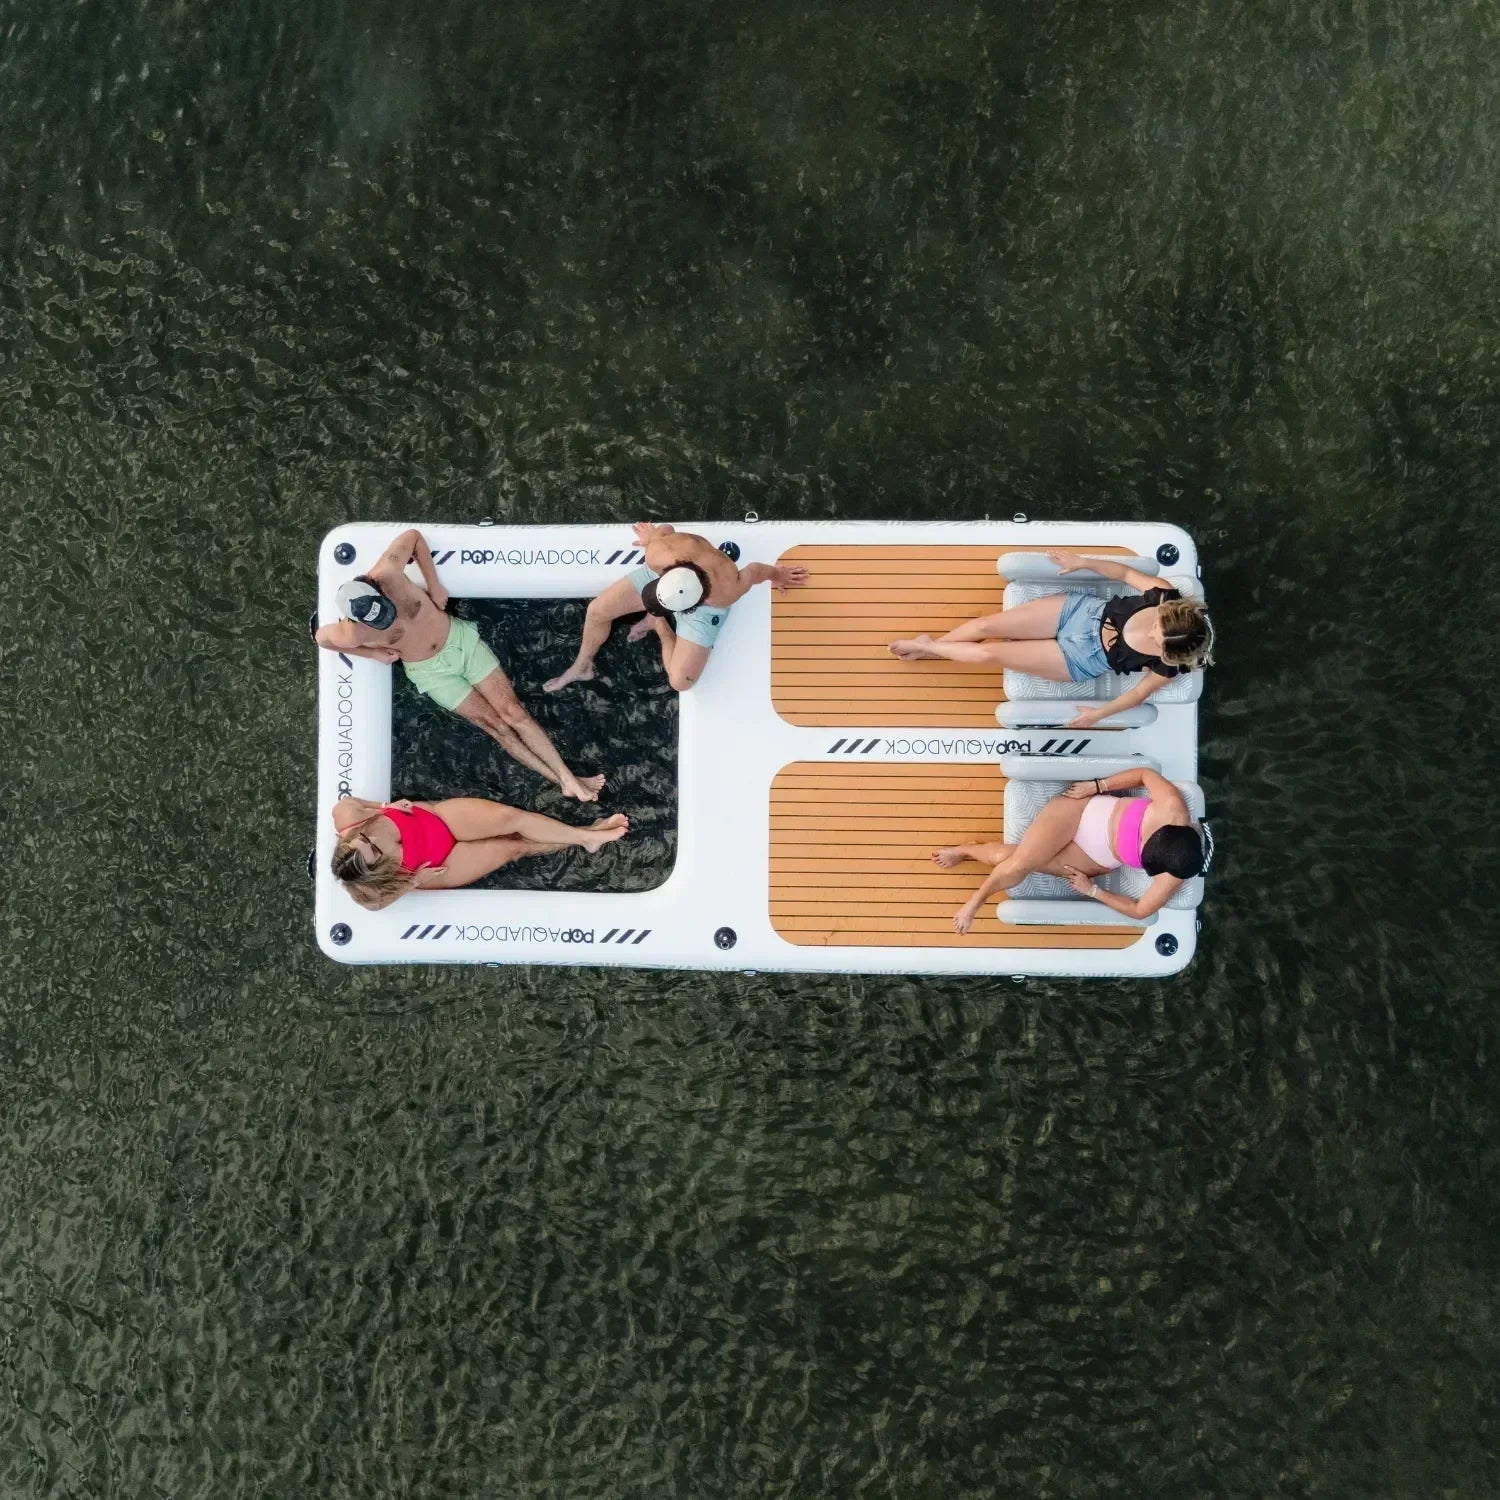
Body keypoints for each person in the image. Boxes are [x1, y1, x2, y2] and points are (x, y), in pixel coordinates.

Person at [315, 528, 605, 802]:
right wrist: (373, 654)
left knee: (513, 712)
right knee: (496, 727)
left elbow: (413, 537)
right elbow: (322, 638)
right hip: (431, 673)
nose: (387, 619)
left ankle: (567, 775)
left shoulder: (387, 572)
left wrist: (434, 585)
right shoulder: (352, 631)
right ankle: (563, 781)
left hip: (459, 641)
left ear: (375, 589)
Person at [889, 549, 1214, 729]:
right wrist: (1083, 562)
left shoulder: (1170, 667)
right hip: (1080, 613)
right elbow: (1125, 574)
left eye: (1158, 641)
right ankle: (932, 648)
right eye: (1157, 625)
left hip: (1080, 659)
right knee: (986, 627)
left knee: (991, 653)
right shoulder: (1164, 595)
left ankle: (928, 646)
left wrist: (1096, 716)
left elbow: (1138, 695)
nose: (1152, 633)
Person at [544, 522, 810, 693]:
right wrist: (650, 537)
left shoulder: (725, 591)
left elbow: (754, 571)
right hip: (667, 579)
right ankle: (582, 665)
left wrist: (779, 575)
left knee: (680, 682)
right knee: (596, 611)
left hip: (704, 610)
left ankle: (658, 624)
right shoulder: (658, 554)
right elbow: (666, 528)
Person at [934, 767, 1206, 934]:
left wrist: (1093, 891)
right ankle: (975, 902)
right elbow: (1146, 774)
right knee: (1017, 863)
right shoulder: (1173, 808)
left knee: (1005, 858)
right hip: (1080, 811)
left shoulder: (1175, 871)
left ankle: (967, 850)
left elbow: (1139, 910)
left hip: (1090, 858)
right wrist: (1098, 785)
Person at [330, 795, 630, 910]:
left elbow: (349, 802)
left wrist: (385, 806)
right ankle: (589, 834)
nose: (373, 841)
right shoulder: (366, 890)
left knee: (512, 818)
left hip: (436, 818)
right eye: (375, 852)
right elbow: (375, 906)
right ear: (374, 869)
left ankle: (586, 836)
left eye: (364, 840)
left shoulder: (349, 819)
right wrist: (414, 881)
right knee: (515, 846)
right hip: (440, 863)